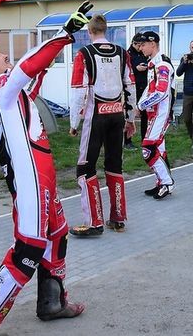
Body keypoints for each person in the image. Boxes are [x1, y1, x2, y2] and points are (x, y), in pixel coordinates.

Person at [0, 2, 93, 336]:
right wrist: (64, 34)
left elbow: (30, 80)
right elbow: (27, 67)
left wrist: (46, 62)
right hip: (29, 178)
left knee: (57, 235)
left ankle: (52, 304)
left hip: (41, 174)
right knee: (29, 248)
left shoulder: (5, 92)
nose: (3, 54)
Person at [67, 15, 136, 237]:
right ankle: (118, 218)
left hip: (94, 117)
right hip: (117, 115)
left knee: (85, 168)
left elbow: (78, 91)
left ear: (89, 31)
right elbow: (131, 86)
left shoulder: (84, 53)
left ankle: (94, 222)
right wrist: (130, 118)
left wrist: (74, 123)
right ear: (106, 30)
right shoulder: (122, 53)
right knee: (115, 165)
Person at [136, 31, 175, 199]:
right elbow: (149, 88)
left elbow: (161, 92)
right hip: (154, 113)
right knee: (159, 149)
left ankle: (167, 183)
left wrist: (141, 105)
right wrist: (140, 104)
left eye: (143, 45)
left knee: (148, 148)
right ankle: (161, 182)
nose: (141, 48)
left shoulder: (162, 65)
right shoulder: (152, 64)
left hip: (161, 113)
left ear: (153, 44)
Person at [125, 34, 149, 148]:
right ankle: (127, 140)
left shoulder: (144, 53)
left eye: (142, 45)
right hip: (132, 87)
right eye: (139, 45)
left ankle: (145, 139)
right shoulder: (127, 54)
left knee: (145, 114)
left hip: (144, 87)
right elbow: (124, 71)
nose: (141, 48)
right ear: (134, 43)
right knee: (129, 114)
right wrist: (136, 68)